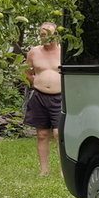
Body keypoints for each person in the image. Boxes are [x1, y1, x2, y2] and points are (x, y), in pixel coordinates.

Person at [24, 22, 63, 176]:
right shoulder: (33, 52)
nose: (45, 37)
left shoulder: (63, 52)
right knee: (42, 134)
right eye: (42, 34)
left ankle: (63, 170)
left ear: (56, 35)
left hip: (60, 97)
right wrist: (38, 83)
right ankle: (44, 171)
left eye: (49, 34)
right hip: (39, 97)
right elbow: (27, 72)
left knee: (59, 134)